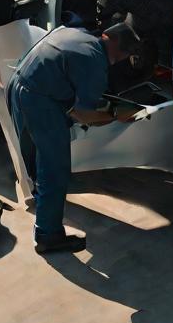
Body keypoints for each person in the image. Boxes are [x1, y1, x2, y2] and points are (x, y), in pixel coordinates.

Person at [10, 21, 143, 254]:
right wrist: (115, 113)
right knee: (54, 168)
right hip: (40, 101)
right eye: (125, 55)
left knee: (35, 157)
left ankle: (43, 209)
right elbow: (84, 115)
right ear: (120, 51)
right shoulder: (95, 62)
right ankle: (47, 235)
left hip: (19, 83)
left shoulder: (76, 33)